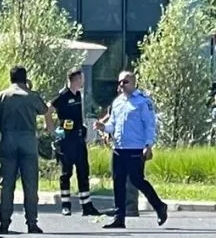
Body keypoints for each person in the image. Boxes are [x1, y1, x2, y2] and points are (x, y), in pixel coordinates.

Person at [93, 71, 168, 229]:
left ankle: (159, 206)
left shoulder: (143, 102)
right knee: (118, 182)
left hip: (136, 148)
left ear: (133, 83)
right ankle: (119, 217)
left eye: (125, 82)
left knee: (137, 180)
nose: (121, 85)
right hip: (119, 148)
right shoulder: (117, 102)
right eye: (120, 82)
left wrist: (148, 145)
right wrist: (103, 127)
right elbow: (112, 125)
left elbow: (149, 125)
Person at [0, 66, 52, 235]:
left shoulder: (2, 96)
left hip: (8, 140)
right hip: (28, 141)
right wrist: (30, 88)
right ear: (25, 78)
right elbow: (45, 110)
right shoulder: (32, 96)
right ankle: (32, 222)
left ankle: (4, 223)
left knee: (6, 184)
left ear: (11, 78)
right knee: (30, 184)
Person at [49, 68, 102, 217]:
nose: (83, 81)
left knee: (83, 171)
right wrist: (52, 130)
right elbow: (48, 110)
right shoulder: (63, 96)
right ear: (75, 80)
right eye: (81, 79)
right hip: (66, 140)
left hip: (79, 139)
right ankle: (66, 205)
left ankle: (87, 205)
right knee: (66, 173)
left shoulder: (79, 95)